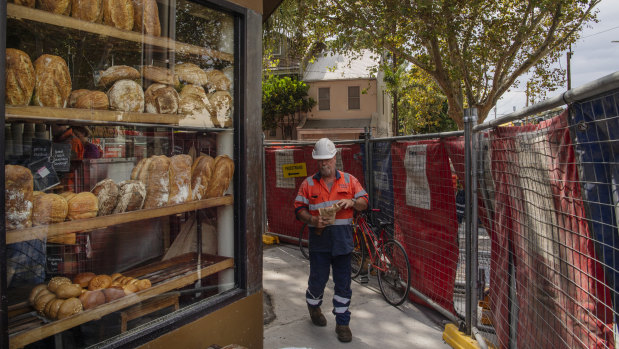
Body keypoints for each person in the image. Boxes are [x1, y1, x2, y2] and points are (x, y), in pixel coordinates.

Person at [294, 138, 369, 343]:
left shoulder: (349, 180)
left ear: (334, 158)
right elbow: (298, 209)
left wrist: (352, 201)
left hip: (343, 244)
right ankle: (313, 305)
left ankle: (342, 322)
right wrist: (312, 219)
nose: (323, 164)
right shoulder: (308, 184)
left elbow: (364, 202)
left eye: (327, 159)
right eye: (320, 161)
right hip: (319, 243)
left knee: (343, 284)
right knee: (318, 281)